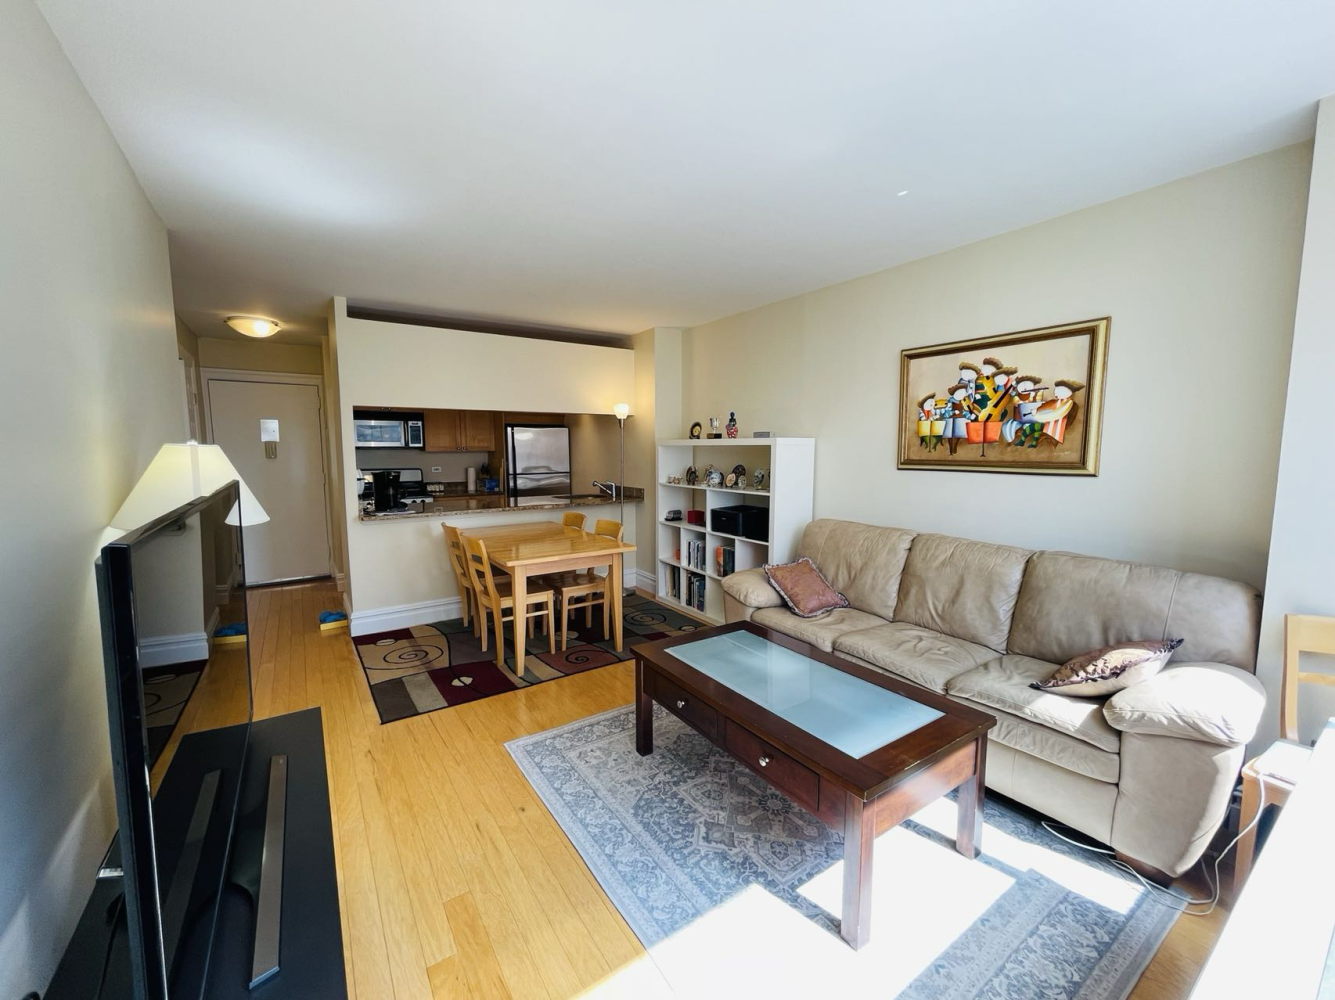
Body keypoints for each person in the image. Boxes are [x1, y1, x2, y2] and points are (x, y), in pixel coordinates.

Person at [941, 382, 972, 455]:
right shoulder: (950, 401)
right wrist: (953, 412)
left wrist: (969, 416)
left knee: (958, 435)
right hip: (951, 421)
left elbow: (965, 411)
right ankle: (951, 449)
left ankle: (954, 449)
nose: (963, 394)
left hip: (960, 421)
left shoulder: (963, 401)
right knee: (951, 436)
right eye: (961, 393)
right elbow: (946, 412)